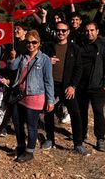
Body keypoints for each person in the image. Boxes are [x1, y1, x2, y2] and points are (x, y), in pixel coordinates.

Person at [41, 21, 90, 156]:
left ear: (68, 32)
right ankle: (50, 139)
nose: (60, 33)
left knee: (75, 113)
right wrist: (47, 60)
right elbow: (39, 61)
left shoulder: (74, 49)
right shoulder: (48, 47)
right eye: (58, 30)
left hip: (67, 86)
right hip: (51, 85)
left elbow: (79, 68)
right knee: (49, 112)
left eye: (63, 30)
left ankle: (78, 144)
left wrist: (73, 86)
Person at [9, 30, 54, 163]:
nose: (31, 45)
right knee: (17, 123)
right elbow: (12, 67)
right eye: (28, 42)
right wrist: (15, 57)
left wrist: (50, 100)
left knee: (31, 126)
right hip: (20, 95)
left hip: (35, 96)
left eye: (34, 42)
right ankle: (21, 146)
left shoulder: (44, 59)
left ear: (39, 43)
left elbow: (48, 80)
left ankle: (29, 152)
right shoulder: (23, 56)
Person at [77, 22, 105, 152]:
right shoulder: (80, 45)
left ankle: (100, 139)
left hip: (97, 86)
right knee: (82, 112)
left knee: (98, 112)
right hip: (81, 85)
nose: (89, 33)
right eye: (87, 31)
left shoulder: (103, 47)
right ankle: (81, 135)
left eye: (92, 30)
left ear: (97, 31)